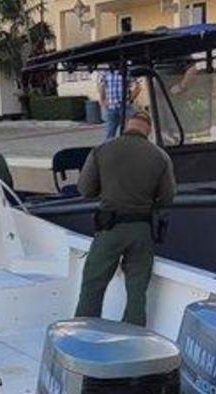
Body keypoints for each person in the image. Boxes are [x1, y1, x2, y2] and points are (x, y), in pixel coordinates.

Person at [73, 110, 176, 327]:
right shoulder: (160, 156)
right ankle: (133, 338)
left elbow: (84, 190)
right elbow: (168, 197)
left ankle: (85, 332)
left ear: (127, 126)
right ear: (148, 130)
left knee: (93, 284)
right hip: (142, 230)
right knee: (137, 290)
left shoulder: (102, 150)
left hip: (109, 228)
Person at [98, 68, 141, 140]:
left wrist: (130, 100)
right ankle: (110, 149)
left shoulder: (127, 70)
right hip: (111, 107)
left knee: (128, 131)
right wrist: (103, 100)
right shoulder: (105, 72)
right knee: (110, 133)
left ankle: (128, 147)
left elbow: (138, 87)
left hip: (125, 107)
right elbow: (102, 86)